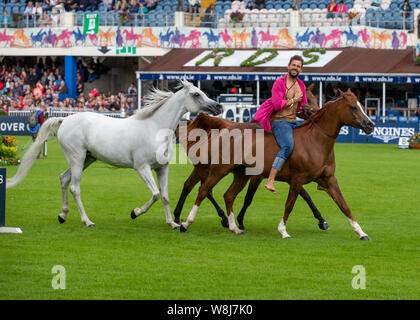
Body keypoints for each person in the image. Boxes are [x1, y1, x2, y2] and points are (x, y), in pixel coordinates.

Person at [253, 55, 313, 194]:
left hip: (294, 122)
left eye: (298, 66)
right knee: (287, 146)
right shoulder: (279, 83)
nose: (295, 68)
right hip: (280, 122)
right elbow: (276, 104)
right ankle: (270, 180)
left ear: (301, 70)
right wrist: (293, 100)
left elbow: (302, 106)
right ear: (288, 66)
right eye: (293, 65)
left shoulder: (301, 86)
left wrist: (312, 112)